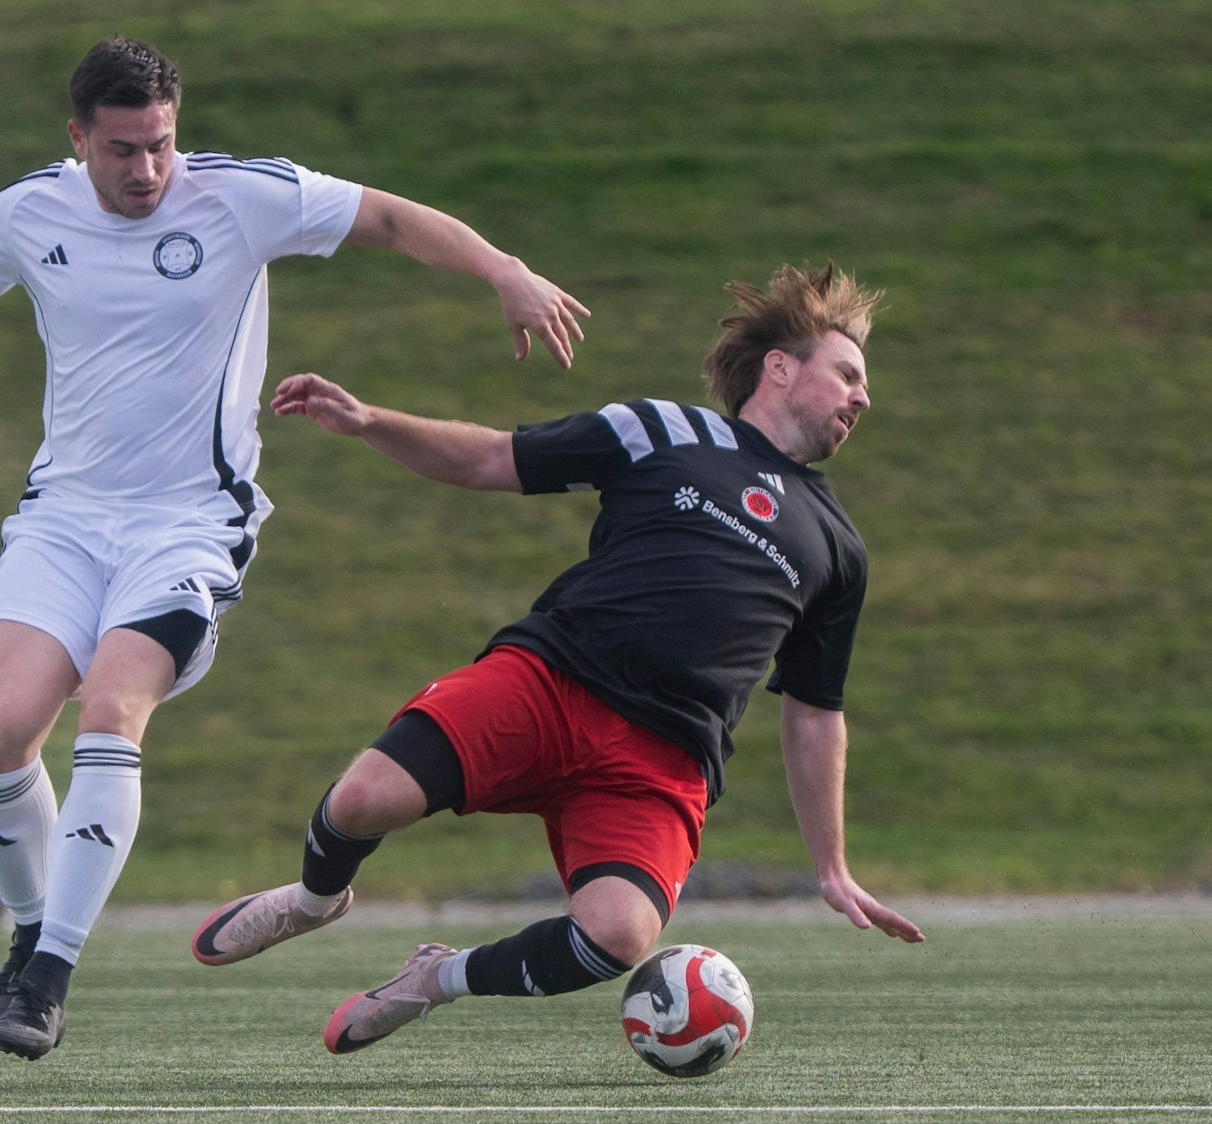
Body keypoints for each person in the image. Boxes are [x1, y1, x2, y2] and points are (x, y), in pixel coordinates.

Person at [0, 37, 589, 1059]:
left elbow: (389, 218)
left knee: (111, 705)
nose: (146, 170)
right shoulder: (31, 211)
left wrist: (504, 270)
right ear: (78, 138)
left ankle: (48, 976)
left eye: (161, 145)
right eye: (122, 149)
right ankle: (32, 933)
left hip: (190, 523)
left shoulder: (241, 197)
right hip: (63, 518)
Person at [191, 262, 923, 1055]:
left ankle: (433, 979)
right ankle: (312, 901)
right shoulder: (661, 431)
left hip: (663, 759)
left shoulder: (838, 546)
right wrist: (371, 421)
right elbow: (489, 459)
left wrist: (831, 866)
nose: (862, 397)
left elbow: (815, 713)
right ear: (779, 368)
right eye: (848, 375)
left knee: (618, 936)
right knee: (364, 799)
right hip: (552, 682)